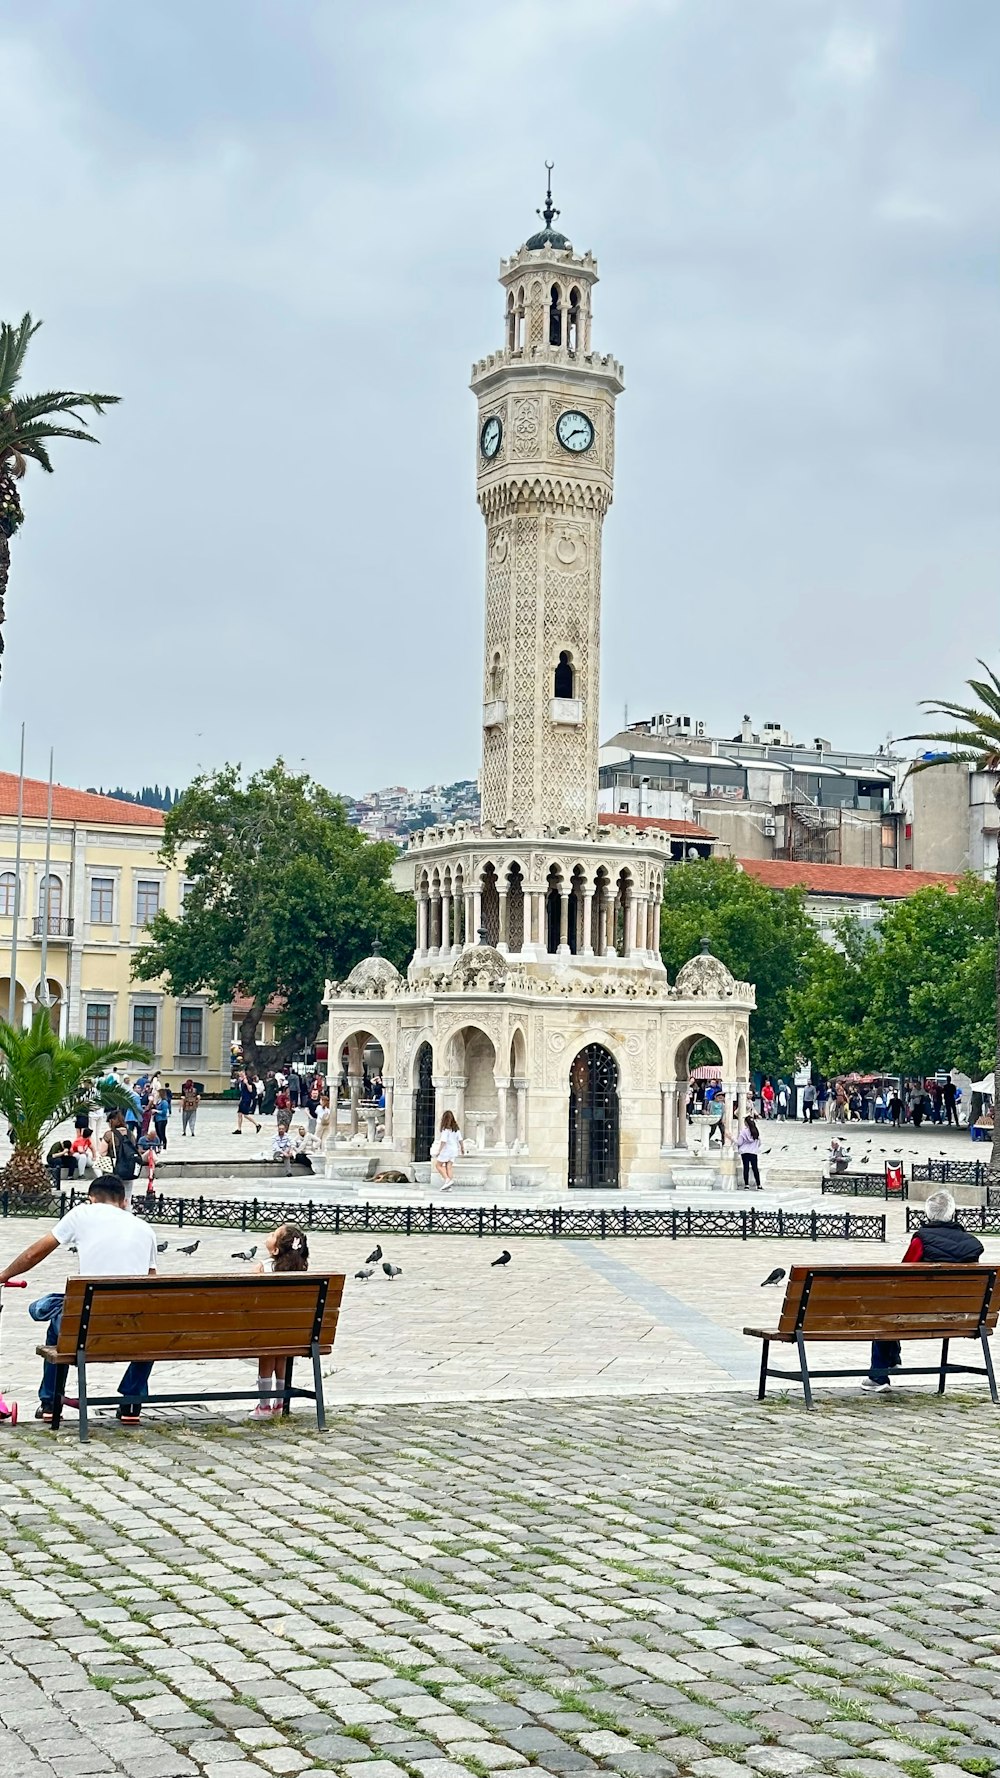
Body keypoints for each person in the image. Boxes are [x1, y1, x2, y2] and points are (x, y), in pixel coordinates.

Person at [0, 1176, 159, 1423]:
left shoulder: (82, 1214)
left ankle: (51, 1403)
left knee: (59, 1324)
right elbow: (151, 1285)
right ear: (124, 1201)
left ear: (91, 1198)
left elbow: (34, 1253)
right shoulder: (145, 1229)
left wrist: (5, 1275)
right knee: (151, 1329)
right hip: (133, 1328)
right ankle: (131, 1403)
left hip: (87, 1327)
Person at [863, 1189, 984, 1393]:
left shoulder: (921, 1240)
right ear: (952, 1213)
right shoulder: (972, 1244)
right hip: (963, 1316)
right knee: (895, 1310)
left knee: (886, 1311)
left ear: (928, 1214)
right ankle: (893, 1360)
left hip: (920, 1313)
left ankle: (879, 1375)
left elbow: (902, 1277)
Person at [250, 1223, 309, 1419]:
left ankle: (264, 1406)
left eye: (273, 1234)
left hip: (265, 1331)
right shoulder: (301, 1271)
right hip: (291, 1334)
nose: (269, 1234)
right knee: (281, 1353)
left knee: (267, 1351)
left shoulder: (262, 1268)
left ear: (275, 1249)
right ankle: (280, 1403)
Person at [430, 1110, 464, 1189]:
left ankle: (447, 1179)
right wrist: (462, 1148)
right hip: (454, 1150)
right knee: (449, 1166)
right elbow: (460, 1139)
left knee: (438, 1165)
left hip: (447, 1150)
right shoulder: (456, 1129)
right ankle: (449, 1186)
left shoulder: (445, 1130)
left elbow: (443, 1141)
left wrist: (439, 1151)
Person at [736, 1114, 762, 1189]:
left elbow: (739, 1142)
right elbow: (759, 1142)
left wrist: (733, 1139)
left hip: (745, 1152)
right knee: (755, 1168)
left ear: (746, 1123)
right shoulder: (756, 1131)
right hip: (753, 1152)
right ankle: (759, 1184)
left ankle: (746, 1185)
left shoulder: (743, 1132)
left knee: (746, 1168)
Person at [233, 1069, 262, 1136]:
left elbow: (250, 1090)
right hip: (243, 1099)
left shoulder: (248, 1080)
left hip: (247, 1099)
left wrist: (246, 1083)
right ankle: (239, 1129)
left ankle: (257, 1124)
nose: (240, 1074)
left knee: (245, 1114)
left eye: (241, 1072)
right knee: (239, 1114)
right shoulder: (241, 1081)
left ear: (244, 1073)